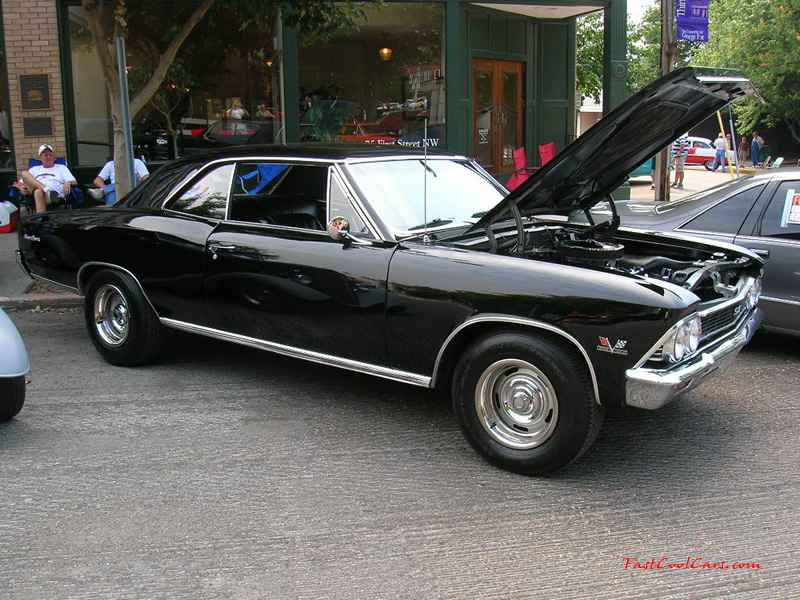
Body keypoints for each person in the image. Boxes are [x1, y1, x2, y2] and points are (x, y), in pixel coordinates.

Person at [16, 144, 78, 213]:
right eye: (45, 155)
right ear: (40, 158)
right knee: (24, 173)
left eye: (51, 155)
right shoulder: (34, 169)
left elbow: (74, 181)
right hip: (32, 195)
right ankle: (46, 189)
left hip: (53, 196)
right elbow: (19, 183)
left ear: (53, 157)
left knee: (38, 191)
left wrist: (68, 182)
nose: (48, 157)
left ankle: (41, 221)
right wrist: (21, 187)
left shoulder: (61, 168)